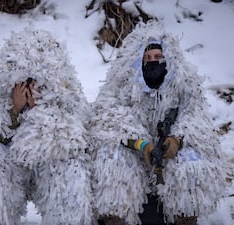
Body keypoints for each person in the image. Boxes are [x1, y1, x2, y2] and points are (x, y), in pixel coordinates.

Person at [89, 21, 226, 225]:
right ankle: (115, 217)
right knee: (111, 159)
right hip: (135, 160)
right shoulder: (120, 87)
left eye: (158, 57)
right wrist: (140, 145)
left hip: (169, 161)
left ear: (168, 59)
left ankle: (184, 217)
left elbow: (196, 117)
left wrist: (176, 140)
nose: (153, 62)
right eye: (147, 58)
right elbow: (108, 120)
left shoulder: (184, 86)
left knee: (192, 162)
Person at [0, 28, 94, 225]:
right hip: (12, 163)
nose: (31, 86)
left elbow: (75, 133)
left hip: (48, 164)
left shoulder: (67, 95)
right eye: (25, 81)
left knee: (69, 168)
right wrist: (14, 110)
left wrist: (40, 111)